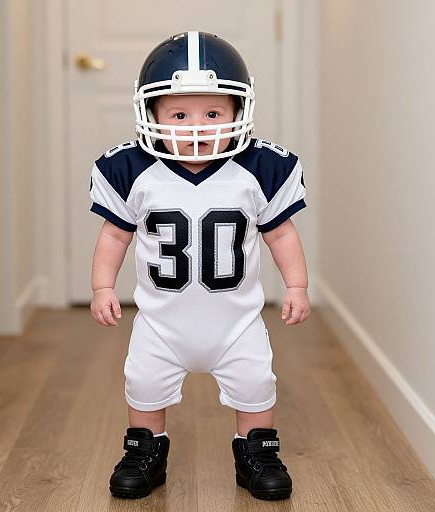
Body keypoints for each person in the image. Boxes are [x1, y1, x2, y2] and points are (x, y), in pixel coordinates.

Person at [89, 31, 310, 501]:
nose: (198, 126)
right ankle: (145, 452)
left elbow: (281, 233)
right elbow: (114, 234)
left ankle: (257, 452)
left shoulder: (258, 168)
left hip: (237, 319)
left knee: (255, 382)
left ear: (238, 112)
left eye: (213, 113)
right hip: (160, 320)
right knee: (143, 382)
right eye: (179, 114)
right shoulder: (133, 170)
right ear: (151, 115)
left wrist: (297, 285)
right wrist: (102, 286)